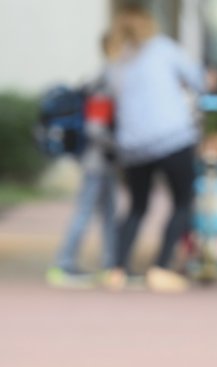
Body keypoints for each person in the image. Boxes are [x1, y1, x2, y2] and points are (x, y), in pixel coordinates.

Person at [104, 6, 207, 293]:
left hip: (133, 145)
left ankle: (118, 269)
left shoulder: (115, 61)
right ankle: (160, 267)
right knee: (184, 201)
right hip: (172, 137)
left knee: (137, 206)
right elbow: (199, 80)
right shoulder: (163, 49)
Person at [46, 31, 122, 289]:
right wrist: (120, 146)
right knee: (86, 210)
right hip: (97, 160)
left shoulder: (102, 77)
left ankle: (111, 263)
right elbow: (96, 127)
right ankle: (64, 264)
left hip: (101, 160)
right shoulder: (104, 80)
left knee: (108, 212)